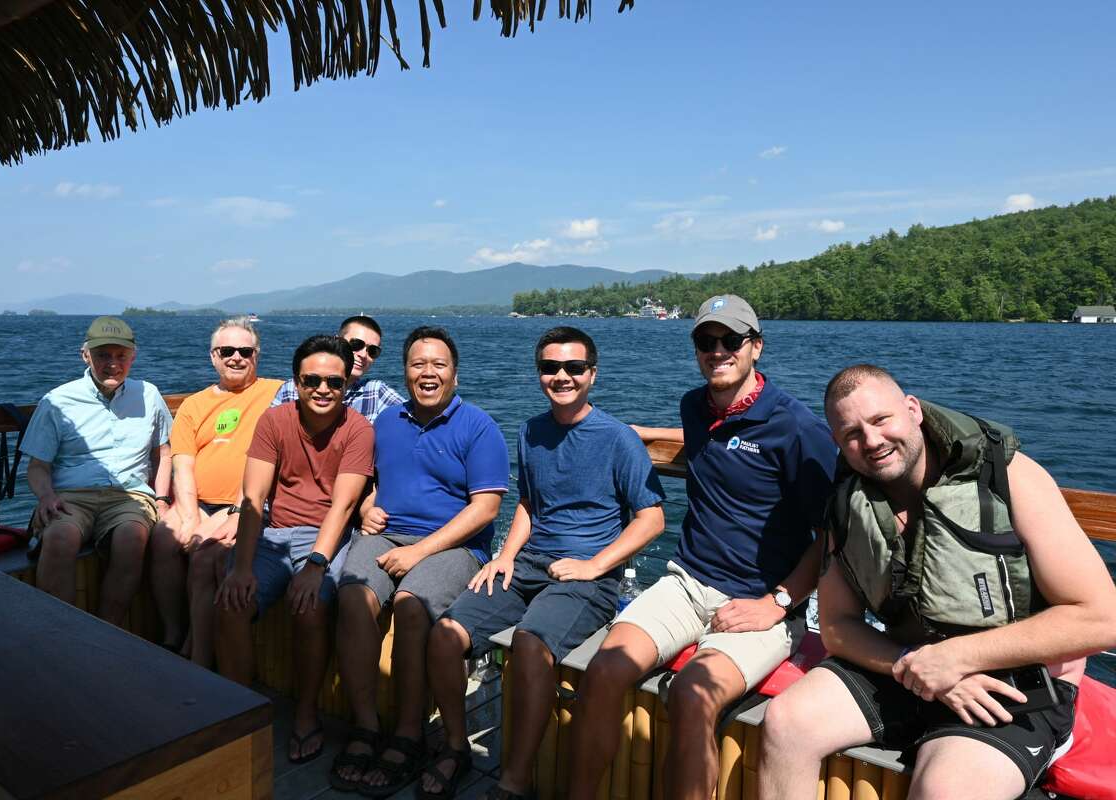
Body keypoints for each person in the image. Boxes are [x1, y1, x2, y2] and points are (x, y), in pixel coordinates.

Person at [758, 365, 1116, 800]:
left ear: (913, 410)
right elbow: (836, 628)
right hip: (910, 666)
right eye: (851, 433)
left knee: (945, 789)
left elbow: (1102, 617)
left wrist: (955, 659)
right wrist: (915, 663)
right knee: (786, 724)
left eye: (880, 420)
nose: (871, 442)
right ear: (837, 443)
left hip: (1015, 683)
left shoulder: (1007, 477)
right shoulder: (847, 503)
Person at [568, 295, 838, 800]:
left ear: (756, 347)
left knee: (693, 694)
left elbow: (834, 534)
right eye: (705, 341)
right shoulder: (695, 406)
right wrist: (640, 435)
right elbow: (709, 441)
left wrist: (776, 603)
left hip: (761, 604)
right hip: (686, 581)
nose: (718, 351)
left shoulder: (798, 430)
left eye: (730, 340)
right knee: (603, 670)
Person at [421, 326, 666, 800]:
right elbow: (530, 504)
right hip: (529, 563)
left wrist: (596, 565)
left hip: (585, 577)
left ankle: (512, 781)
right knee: (445, 636)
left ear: (591, 374)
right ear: (539, 374)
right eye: (551, 367)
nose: (562, 376)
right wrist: (505, 556)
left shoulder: (618, 439)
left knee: (530, 645)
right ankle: (454, 747)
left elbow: (652, 518)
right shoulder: (531, 431)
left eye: (574, 368)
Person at [331, 326, 509, 798]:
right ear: (405, 370)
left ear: (454, 373)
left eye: (438, 364)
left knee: (412, 605)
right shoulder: (387, 422)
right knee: (351, 595)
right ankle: (367, 726)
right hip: (387, 532)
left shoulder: (479, 426)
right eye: (417, 364)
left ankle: (409, 734)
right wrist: (367, 505)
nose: (427, 373)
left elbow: (486, 508)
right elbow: (366, 480)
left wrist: (420, 550)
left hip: (454, 546)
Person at [214, 335, 375, 765]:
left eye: (334, 383)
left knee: (310, 604)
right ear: (297, 381)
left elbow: (343, 506)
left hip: (328, 535)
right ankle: (241, 711)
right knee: (231, 599)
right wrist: (242, 566)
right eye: (313, 380)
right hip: (277, 534)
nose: (323, 389)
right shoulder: (274, 422)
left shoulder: (358, 430)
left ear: (346, 386)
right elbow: (253, 497)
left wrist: (316, 565)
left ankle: (306, 714)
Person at [20, 316, 173, 625]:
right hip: (72, 496)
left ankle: (106, 632)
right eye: (103, 355)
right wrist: (46, 496)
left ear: (133, 356)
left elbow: (164, 454)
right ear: (85, 355)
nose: (113, 364)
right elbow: (37, 467)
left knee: (132, 538)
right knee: (60, 538)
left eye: (121, 356)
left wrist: (162, 499)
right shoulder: (57, 401)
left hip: (129, 496)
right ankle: (63, 634)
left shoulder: (149, 395)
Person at [148, 316, 283, 665]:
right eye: (227, 351)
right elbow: (183, 463)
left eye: (245, 351)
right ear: (213, 355)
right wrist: (190, 515)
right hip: (197, 500)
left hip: (241, 503)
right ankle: (173, 632)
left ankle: (197, 654)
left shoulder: (276, 393)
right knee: (163, 540)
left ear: (257, 355)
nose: (236, 357)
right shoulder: (194, 405)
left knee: (203, 550)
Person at [272, 314, 404, 423]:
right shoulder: (292, 389)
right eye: (356, 344)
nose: (363, 354)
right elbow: (269, 432)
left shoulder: (375, 393)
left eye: (372, 350)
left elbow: (415, 415)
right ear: (337, 340)